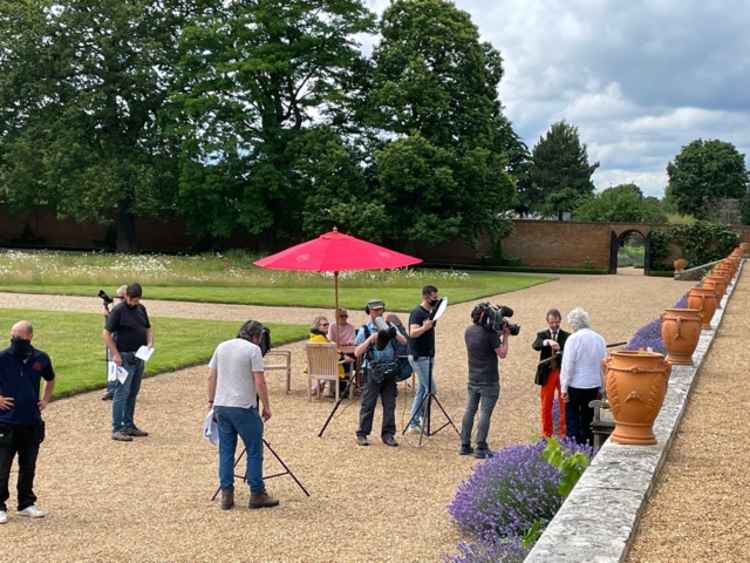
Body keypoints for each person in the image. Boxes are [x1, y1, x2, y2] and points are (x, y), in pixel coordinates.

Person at [207, 320, 278, 511]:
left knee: (226, 451)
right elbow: (259, 381)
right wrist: (266, 406)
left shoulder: (222, 346)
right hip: (243, 406)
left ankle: (226, 494)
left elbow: (211, 375)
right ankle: (257, 492)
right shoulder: (253, 350)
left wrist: (211, 402)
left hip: (222, 405)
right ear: (257, 337)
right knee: (254, 450)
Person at [0, 321, 55, 524]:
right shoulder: (2, 357)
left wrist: (46, 399)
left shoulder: (41, 358)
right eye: (12, 336)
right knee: (2, 465)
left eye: (19, 337)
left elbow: (50, 378)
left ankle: (26, 503)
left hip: (31, 420)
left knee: (28, 465)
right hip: (5, 421)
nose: (15, 341)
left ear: (29, 337)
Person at [102, 282, 153, 442]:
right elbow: (105, 334)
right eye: (132, 300)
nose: (134, 303)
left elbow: (148, 328)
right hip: (123, 356)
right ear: (126, 296)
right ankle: (117, 428)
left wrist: (150, 342)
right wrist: (115, 354)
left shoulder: (141, 309)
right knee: (121, 392)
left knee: (133, 392)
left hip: (139, 356)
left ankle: (129, 425)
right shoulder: (118, 310)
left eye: (137, 300)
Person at [354, 299, 407, 447]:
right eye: (376, 310)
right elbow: (357, 352)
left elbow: (404, 342)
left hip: (389, 369)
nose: (379, 313)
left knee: (390, 404)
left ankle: (388, 434)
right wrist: (371, 339)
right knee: (368, 403)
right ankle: (362, 433)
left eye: (381, 310)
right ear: (369, 311)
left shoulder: (389, 326)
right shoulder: (364, 329)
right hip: (372, 370)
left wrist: (393, 333)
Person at [461, 304, 510, 459]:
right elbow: (502, 353)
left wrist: (497, 333)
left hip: (473, 378)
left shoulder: (468, 331)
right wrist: (506, 336)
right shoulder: (490, 334)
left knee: (470, 410)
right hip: (489, 380)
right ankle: (480, 446)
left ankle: (464, 444)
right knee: (484, 413)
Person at [560, 307, 607, 447]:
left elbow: (568, 366)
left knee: (573, 419)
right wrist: (603, 387)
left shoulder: (573, 339)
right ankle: (589, 447)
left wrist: (564, 388)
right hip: (593, 384)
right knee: (588, 418)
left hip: (575, 385)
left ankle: (574, 448)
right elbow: (604, 364)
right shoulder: (599, 339)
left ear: (574, 324)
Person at [406, 285, 440, 433]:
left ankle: (414, 423)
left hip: (428, 355)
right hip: (419, 356)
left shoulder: (430, 312)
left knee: (422, 389)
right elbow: (412, 333)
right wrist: (425, 328)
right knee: (431, 389)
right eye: (434, 297)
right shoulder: (417, 313)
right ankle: (418, 420)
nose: (436, 299)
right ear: (426, 296)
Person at [532, 309, 570, 438]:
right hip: (547, 374)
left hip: (562, 372)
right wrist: (547, 342)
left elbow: (570, 352)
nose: (554, 325)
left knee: (564, 403)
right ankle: (546, 433)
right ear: (547, 321)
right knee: (546, 404)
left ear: (560, 320)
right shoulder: (542, 335)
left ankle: (564, 433)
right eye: (551, 322)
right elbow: (536, 345)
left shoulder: (567, 336)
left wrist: (561, 349)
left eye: (556, 322)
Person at [101, 285, 127, 401]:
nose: (119, 300)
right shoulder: (121, 308)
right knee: (112, 365)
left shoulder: (127, 309)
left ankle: (117, 390)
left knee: (119, 365)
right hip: (115, 340)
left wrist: (109, 316)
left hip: (121, 342)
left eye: (121, 297)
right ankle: (112, 389)